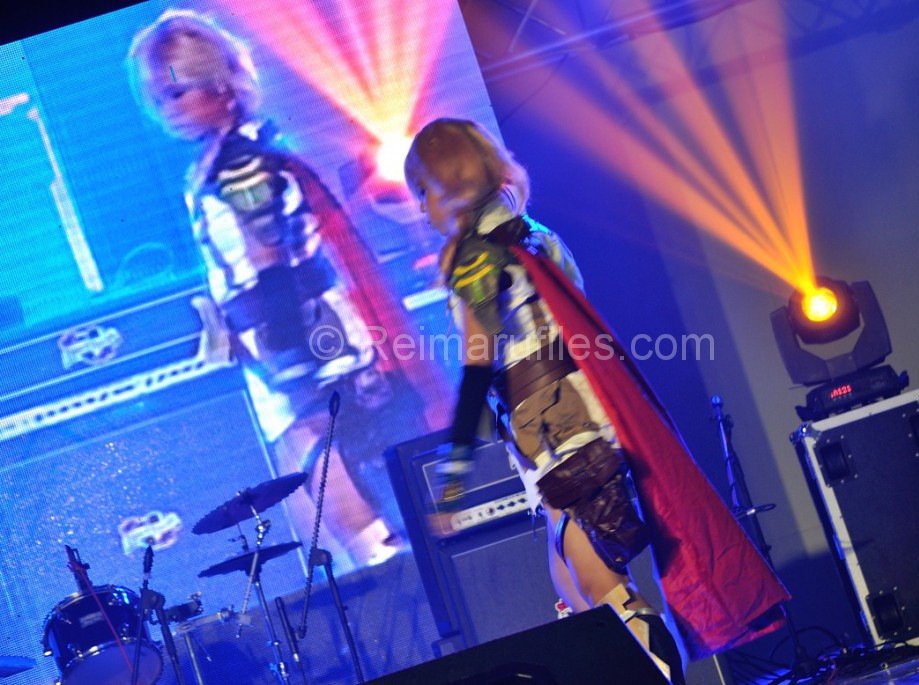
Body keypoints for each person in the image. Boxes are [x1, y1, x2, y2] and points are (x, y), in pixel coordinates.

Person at [404, 119, 791, 683]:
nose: (420, 206)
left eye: (422, 189)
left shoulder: (478, 257)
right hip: (568, 425)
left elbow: (476, 365)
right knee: (574, 587)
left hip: (562, 432)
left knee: (605, 593)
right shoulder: (530, 233)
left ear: (444, 186)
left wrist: (453, 480)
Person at [127, 10, 442, 567]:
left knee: (337, 465)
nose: (168, 108)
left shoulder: (241, 164)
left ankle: (404, 568)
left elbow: (271, 263)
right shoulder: (223, 159)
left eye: (179, 91)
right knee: (321, 470)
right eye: (160, 97)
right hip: (283, 340)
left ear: (220, 85)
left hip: (303, 337)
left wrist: (292, 364)